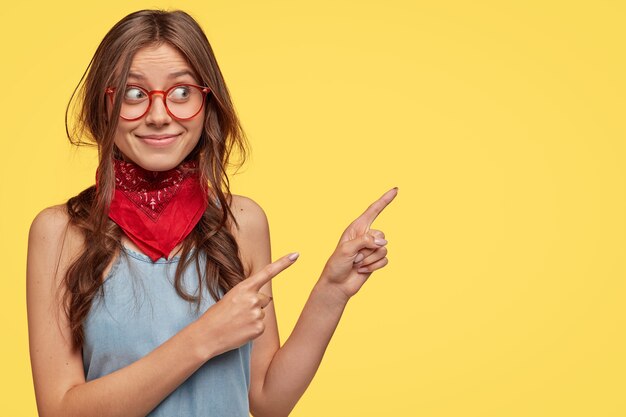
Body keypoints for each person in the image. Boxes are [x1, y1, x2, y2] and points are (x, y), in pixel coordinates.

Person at [26, 9, 398, 417]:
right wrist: (204, 337)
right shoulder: (60, 232)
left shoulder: (242, 222)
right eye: (133, 93)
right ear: (104, 105)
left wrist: (332, 292)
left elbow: (267, 401)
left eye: (181, 92)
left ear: (208, 102)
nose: (158, 114)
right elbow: (59, 411)